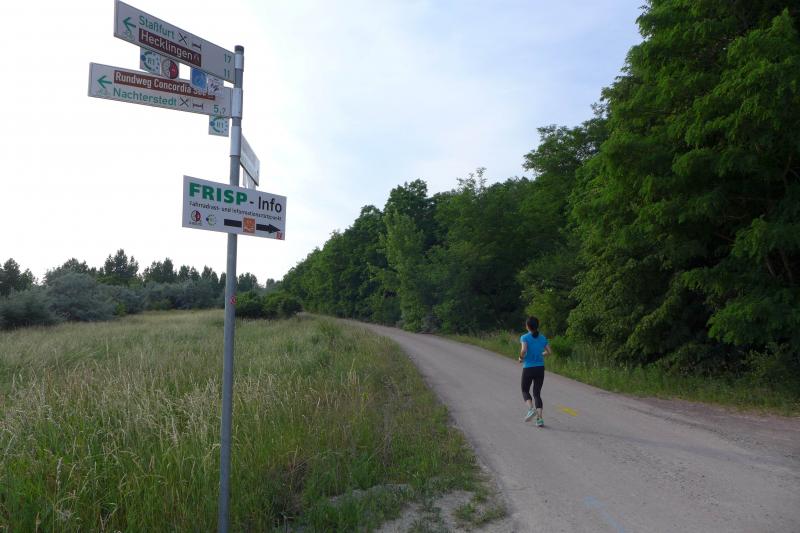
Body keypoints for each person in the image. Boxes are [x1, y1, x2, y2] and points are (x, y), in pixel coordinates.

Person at [519, 316, 552, 427]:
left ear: (527, 326)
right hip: (540, 368)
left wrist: (521, 358)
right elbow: (549, 352)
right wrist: (541, 354)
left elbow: (523, 350)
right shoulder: (543, 338)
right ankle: (540, 419)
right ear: (537, 326)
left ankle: (531, 409)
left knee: (525, 390)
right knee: (537, 393)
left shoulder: (524, 337)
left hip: (528, 368)